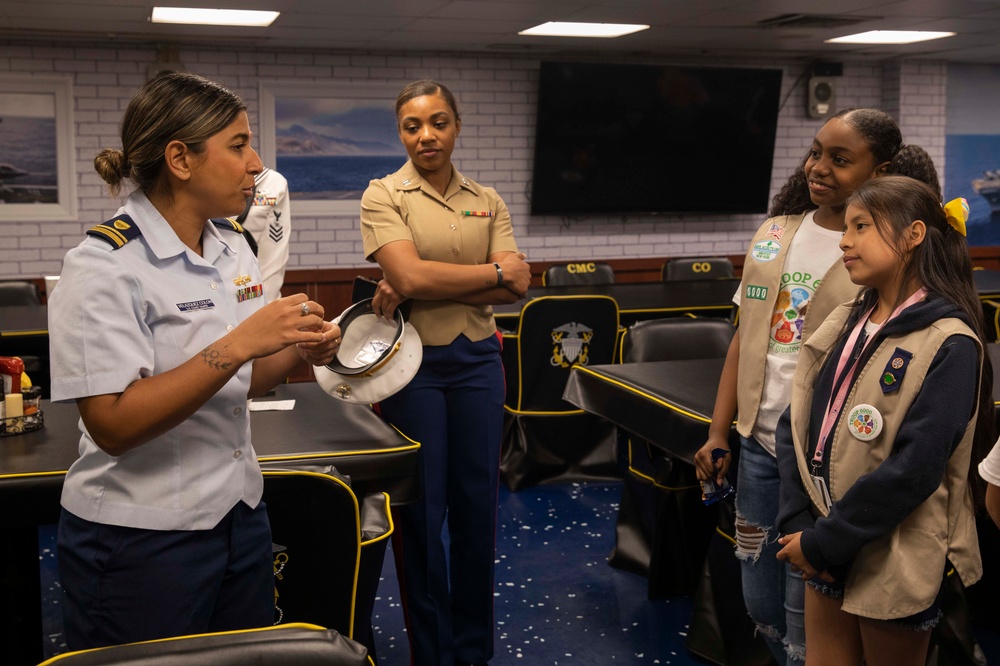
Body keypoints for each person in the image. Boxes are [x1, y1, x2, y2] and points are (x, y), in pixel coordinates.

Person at [48, 72, 341, 650]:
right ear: (180, 158)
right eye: (238, 144)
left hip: (237, 517)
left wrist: (295, 346)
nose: (256, 163)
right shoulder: (102, 267)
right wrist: (239, 342)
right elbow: (112, 425)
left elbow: (246, 378)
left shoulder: (231, 244)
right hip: (140, 537)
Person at [692, 108, 941, 664]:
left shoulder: (880, 249)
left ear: (879, 168)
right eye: (815, 152)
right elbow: (745, 336)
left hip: (822, 459)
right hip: (758, 445)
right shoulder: (774, 233)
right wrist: (718, 432)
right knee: (761, 603)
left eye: (839, 158)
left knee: (811, 612)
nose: (818, 167)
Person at [774, 176, 992, 665]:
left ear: (913, 235)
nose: (845, 241)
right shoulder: (850, 316)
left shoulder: (950, 341)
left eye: (861, 226)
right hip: (824, 536)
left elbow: (916, 466)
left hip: (892, 551)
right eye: (845, 228)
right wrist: (801, 523)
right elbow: (798, 419)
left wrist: (828, 541)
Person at [359, 79, 531, 666]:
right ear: (401, 133)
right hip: (412, 367)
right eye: (412, 125)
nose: (426, 135)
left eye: (437, 122)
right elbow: (410, 280)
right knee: (421, 515)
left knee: (478, 509)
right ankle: (431, 655)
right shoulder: (384, 195)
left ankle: (472, 653)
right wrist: (489, 271)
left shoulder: (487, 197)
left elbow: (521, 283)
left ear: (456, 126)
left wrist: (420, 277)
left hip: (480, 360)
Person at [237, 166, 291, 302]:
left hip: (249, 300)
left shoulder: (271, 183)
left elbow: (273, 258)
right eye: (237, 146)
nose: (256, 162)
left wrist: (264, 308)